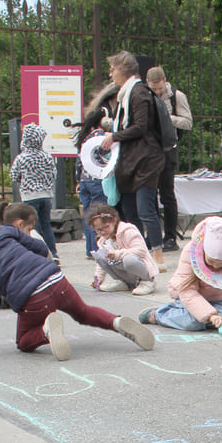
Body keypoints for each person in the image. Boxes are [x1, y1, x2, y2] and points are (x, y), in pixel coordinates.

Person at [0, 205, 155, 362]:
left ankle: (46, 330)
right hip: (55, 278)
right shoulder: (3, 232)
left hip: (32, 295)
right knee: (83, 312)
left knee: (24, 341)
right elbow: (38, 247)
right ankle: (115, 322)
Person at [101, 52, 168, 272]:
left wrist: (114, 136)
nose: (110, 73)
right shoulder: (125, 94)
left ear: (123, 69)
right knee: (130, 211)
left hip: (145, 160)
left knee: (145, 209)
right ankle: (139, 252)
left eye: (113, 69)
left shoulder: (138, 92)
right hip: (131, 162)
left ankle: (157, 256)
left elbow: (140, 126)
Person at [139, 217, 222, 332]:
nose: (216, 266)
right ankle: (159, 314)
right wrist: (210, 316)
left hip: (217, 299)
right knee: (193, 323)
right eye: (211, 262)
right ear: (204, 251)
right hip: (187, 295)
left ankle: (202, 316)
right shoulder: (191, 252)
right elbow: (186, 291)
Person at [146, 66, 192, 252]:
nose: (157, 92)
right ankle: (153, 234)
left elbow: (188, 122)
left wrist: (167, 118)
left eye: (160, 89)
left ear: (165, 81)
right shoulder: (144, 95)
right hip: (149, 150)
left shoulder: (176, 96)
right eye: (154, 89)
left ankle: (171, 236)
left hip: (167, 149)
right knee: (149, 195)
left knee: (167, 194)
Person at [10, 123, 59, 262]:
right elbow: (54, 174)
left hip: (29, 195)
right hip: (46, 195)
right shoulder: (47, 156)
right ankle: (53, 252)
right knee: (46, 224)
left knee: (32, 226)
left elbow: (14, 175)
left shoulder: (22, 158)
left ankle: (37, 252)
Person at [87, 204, 157, 296]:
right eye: (98, 230)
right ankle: (122, 282)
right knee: (100, 257)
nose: (103, 231)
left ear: (114, 220)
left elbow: (141, 250)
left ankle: (147, 281)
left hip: (138, 268)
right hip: (124, 272)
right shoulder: (102, 241)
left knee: (129, 260)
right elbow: (100, 263)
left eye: (106, 227)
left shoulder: (127, 231)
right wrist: (98, 278)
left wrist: (117, 254)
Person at [74, 107, 110, 258]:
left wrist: (78, 180)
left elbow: (79, 162)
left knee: (88, 215)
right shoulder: (105, 137)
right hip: (99, 179)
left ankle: (90, 248)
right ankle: (98, 247)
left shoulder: (85, 138)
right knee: (99, 214)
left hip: (85, 180)